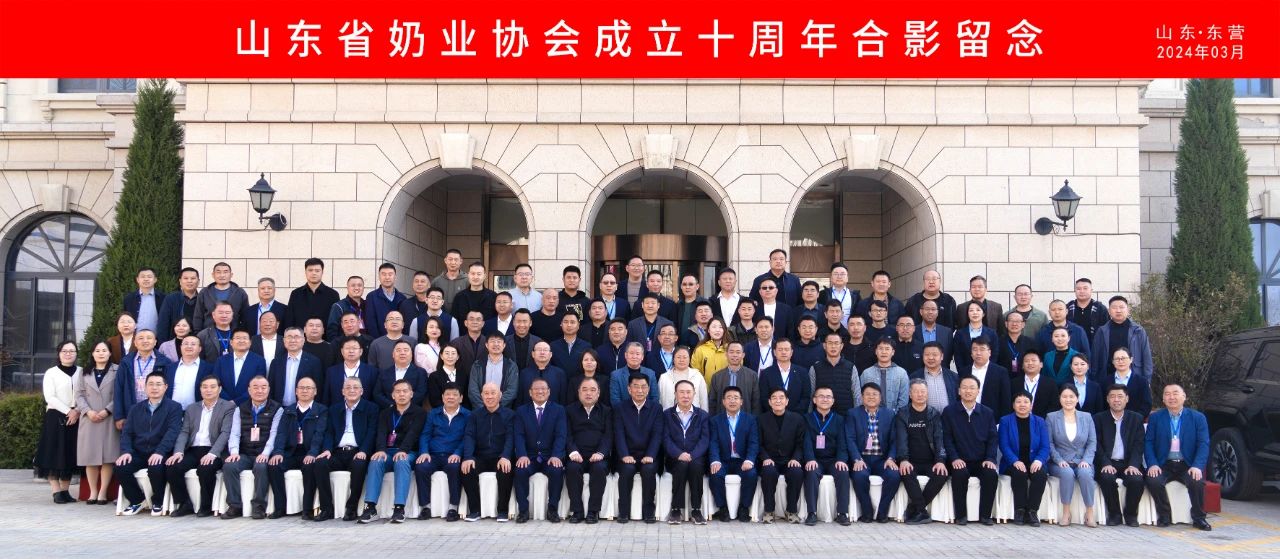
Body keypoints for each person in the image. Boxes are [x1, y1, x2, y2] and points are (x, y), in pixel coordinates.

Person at [1144, 383, 1213, 531]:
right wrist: (1153, 464)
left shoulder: (1198, 418)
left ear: (1184, 397)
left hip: (1187, 463)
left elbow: (1203, 444)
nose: (1171, 397)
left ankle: (1199, 518)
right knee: (1153, 480)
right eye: (1167, 394)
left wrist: (1197, 466)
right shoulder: (1156, 418)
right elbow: (1148, 442)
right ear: (1163, 399)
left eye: (1175, 393)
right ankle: (1164, 515)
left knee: (1196, 482)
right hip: (1164, 463)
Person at [166, 374, 236, 517]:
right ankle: (185, 504)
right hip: (193, 449)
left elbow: (225, 433)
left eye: (212, 387)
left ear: (219, 389)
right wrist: (178, 452)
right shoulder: (192, 408)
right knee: (173, 467)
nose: (208, 390)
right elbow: (184, 432)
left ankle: (206, 506)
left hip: (214, 450)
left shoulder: (228, 407)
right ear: (200, 389)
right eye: (204, 387)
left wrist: (212, 453)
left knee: (205, 469)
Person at [358, 379, 427, 524]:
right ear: (393, 395)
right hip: (388, 452)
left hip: (408, 452)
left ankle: (399, 508)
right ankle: (370, 507)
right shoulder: (385, 413)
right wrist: (381, 450)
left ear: (411, 394)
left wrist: (403, 450)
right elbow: (381, 433)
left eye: (405, 391)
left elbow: (413, 434)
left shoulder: (419, 412)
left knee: (401, 461)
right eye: (398, 391)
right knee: (376, 460)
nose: (401, 394)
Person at [115, 371, 183, 516]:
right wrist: (126, 451)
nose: (154, 388)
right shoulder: (135, 409)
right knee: (121, 467)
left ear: (165, 387)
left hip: (161, 452)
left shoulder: (174, 407)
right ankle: (137, 500)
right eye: (151, 384)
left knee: (156, 467)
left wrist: (160, 452)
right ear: (145, 387)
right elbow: (127, 433)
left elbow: (172, 433)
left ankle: (158, 501)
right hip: (139, 452)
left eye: (158, 384)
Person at [313, 376, 377, 521]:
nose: (352, 390)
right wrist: (327, 449)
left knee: (359, 465)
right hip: (337, 452)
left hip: (357, 451)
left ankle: (351, 508)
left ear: (361, 391)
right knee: (320, 463)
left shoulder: (371, 408)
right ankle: (326, 508)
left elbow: (371, 432)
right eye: (348, 387)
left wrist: (364, 451)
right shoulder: (334, 409)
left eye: (355, 387)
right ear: (342, 391)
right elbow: (329, 432)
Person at [220, 375, 283, 520]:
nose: (259, 391)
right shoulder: (240, 409)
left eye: (263, 387)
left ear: (268, 389)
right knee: (229, 466)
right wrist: (234, 452)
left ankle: (259, 506)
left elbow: (274, 434)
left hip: (264, 452)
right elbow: (235, 433)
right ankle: (235, 505)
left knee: (261, 467)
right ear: (249, 390)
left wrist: (266, 453)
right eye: (255, 387)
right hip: (245, 453)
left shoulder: (277, 409)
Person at [265, 376, 327, 519]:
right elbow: (281, 433)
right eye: (301, 388)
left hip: (309, 452)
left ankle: (307, 509)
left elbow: (319, 434)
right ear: (296, 391)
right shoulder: (288, 410)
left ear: (315, 391)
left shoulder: (321, 410)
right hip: (291, 453)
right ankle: (280, 508)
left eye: (308, 388)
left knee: (310, 466)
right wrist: (278, 452)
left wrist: (313, 453)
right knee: (274, 465)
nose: (305, 391)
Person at [941, 376, 999, 526]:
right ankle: (961, 515)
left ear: (978, 391)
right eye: (964, 387)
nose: (968, 391)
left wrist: (990, 458)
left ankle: (985, 515)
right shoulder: (949, 412)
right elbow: (947, 438)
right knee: (959, 474)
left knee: (991, 474)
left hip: (981, 460)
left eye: (972, 388)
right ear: (959, 391)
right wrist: (954, 458)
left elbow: (993, 439)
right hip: (959, 459)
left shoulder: (987, 412)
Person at [512, 378, 568, 523]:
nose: (540, 391)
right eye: (536, 389)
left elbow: (561, 435)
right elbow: (519, 435)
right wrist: (522, 455)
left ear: (549, 392)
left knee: (557, 471)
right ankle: (523, 511)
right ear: (530, 393)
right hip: (529, 456)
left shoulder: (559, 410)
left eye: (543, 389)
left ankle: (552, 510)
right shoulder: (521, 411)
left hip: (549, 456)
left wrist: (556, 455)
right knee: (520, 471)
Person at [894, 379, 948, 525]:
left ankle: (915, 508)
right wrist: (903, 459)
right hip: (910, 460)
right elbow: (901, 439)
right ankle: (922, 512)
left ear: (927, 394)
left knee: (942, 474)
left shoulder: (933, 414)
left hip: (930, 461)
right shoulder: (903, 414)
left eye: (923, 391)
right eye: (916, 392)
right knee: (906, 472)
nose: (920, 395)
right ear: (910, 394)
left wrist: (940, 461)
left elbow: (939, 439)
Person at [413, 382, 470, 520]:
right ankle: (425, 507)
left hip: (453, 455)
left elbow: (467, 438)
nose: (451, 397)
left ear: (461, 398)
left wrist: (458, 453)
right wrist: (424, 452)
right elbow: (425, 435)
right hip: (433, 455)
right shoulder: (433, 413)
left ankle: (453, 508)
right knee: (421, 467)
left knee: (454, 468)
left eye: (454, 395)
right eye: (447, 394)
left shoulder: (468, 415)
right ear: (443, 397)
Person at [461, 382, 517, 522]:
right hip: (480, 456)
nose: (489, 396)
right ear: (481, 396)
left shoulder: (510, 415)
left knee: (505, 470)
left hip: (500, 457)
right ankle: (475, 510)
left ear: (500, 395)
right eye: (486, 393)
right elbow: (469, 436)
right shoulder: (475, 415)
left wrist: (505, 456)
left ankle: (502, 511)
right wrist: (468, 457)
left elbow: (511, 437)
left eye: (493, 393)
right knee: (467, 469)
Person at [1093, 383, 1146, 527]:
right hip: (1108, 462)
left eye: (1120, 396)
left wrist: (1134, 465)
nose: (1116, 400)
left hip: (1128, 462)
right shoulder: (1098, 418)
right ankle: (1114, 514)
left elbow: (1139, 444)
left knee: (1137, 480)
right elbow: (1096, 444)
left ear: (1127, 399)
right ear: (1107, 399)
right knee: (1106, 477)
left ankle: (1131, 515)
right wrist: (1105, 463)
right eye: (1112, 396)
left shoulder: (1136, 418)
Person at [847, 382, 901, 523]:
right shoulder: (853, 414)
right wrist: (856, 459)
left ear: (880, 397)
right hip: (862, 459)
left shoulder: (889, 414)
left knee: (894, 475)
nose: (871, 397)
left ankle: (882, 512)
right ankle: (867, 512)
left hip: (882, 459)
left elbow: (895, 440)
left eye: (875, 394)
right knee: (859, 476)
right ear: (862, 397)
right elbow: (850, 438)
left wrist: (891, 458)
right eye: (868, 394)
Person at [614, 373, 663, 523]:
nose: (640, 390)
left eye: (643, 387)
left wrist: (651, 455)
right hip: (627, 454)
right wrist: (624, 455)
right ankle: (623, 512)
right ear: (629, 389)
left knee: (648, 470)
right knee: (627, 470)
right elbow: (619, 434)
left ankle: (649, 511)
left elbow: (657, 434)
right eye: (636, 387)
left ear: (648, 389)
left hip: (648, 455)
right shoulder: (620, 408)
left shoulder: (656, 408)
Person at [74, 340, 119, 505]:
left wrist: (107, 410)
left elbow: (119, 394)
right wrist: (88, 411)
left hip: (109, 417)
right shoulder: (84, 372)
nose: (101, 353)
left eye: (104, 350)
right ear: (92, 353)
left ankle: (102, 492)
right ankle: (93, 492)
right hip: (89, 418)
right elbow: (79, 394)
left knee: (107, 457)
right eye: (97, 350)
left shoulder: (117, 370)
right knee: (90, 457)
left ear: (110, 353)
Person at [35, 341, 80, 504]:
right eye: (64, 351)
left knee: (70, 452)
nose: (68, 354)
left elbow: (85, 395)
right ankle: (56, 491)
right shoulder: (51, 373)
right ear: (59, 353)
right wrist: (69, 411)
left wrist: (77, 411)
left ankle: (65, 490)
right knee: (53, 453)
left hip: (77, 416)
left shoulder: (81, 372)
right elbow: (50, 397)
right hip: (56, 416)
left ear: (76, 353)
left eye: (72, 351)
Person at [1047, 385, 1098, 527]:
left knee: (1085, 473)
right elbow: (1049, 443)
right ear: (1060, 399)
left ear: (1077, 398)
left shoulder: (1087, 417)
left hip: (1082, 460)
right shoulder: (1051, 417)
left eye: (1071, 397)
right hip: (1059, 462)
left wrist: (1086, 460)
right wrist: (1059, 460)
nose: (1068, 400)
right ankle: (1066, 513)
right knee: (1067, 473)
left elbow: (1092, 442)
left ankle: (1089, 513)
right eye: (1064, 396)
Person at [999, 392, 1051, 527]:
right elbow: (1004, 445)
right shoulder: (1005, 421)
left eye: (1026, 402)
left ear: (1031, 405)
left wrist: (1039, 460)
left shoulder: (1039, 421)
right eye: (1018, 401)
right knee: (1019, 473)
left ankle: (1032, 511)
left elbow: (1045, 446)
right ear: (1013, 405)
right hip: (1013, 462)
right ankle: (1020, 510)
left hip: (1034, 461)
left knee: (1040, 475)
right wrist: (1014, 461)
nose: (1022, 405)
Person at [564, 377, 612, 524]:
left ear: (598, 393)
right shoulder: (569, 410)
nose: (588, 393)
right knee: (572, 468)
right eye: (584, 390)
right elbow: (566, 434)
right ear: (578, 392)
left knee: (599, 469)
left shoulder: (606, 411)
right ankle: (577, 511)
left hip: (598, 456)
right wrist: (573, 452)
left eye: (592, 390)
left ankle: (593, 511)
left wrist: (600, 453)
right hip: (577, 455)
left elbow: (608, 435)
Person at [708, 386, 759, 522]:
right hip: (723, 460)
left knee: (751, 474)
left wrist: (749, 460)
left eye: (736, 398)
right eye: (729, 398)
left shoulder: (750, 420)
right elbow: (713, 442)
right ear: (723, 401)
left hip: (742, 460)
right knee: (715, 474)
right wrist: (715, 460)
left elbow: (753, 443)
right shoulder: (715, 420)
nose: (732, 401)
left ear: (741, 401)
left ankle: (744, 507)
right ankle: (722, 508)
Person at [802, 386, 852, 526]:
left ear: (833, 401)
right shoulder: (806, 418)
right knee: (811, 472)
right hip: (815, 459)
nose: (825, 399)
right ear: (814, 400)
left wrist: (841, 459)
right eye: (821, 396)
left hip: (833, 460)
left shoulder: (840, 419)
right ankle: (812, 513)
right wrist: (810, 459)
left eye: (828, 397)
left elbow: (843, 442)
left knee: (843, 471)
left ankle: (842, 513)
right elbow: (806, 442)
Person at [755, 387, 806, 523]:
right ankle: (769, 510)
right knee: (768, 472)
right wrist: (765, 458)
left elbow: (801, 443)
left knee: (796, 472)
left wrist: (795, 458)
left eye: (781, 398)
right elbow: (758, 443)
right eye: (774, 398)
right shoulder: (761, 419)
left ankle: (791, 511)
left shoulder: (797, 419)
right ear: (769, 402)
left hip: (789, 459)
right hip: (770, 459)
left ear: (787, 401)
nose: (778, 400)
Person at [664, 380, 711, 525]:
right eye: (682, 392)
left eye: (688, 392)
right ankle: (676, 509)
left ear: (694, 394)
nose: (685, 396)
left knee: (696, 466)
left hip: (696, 457)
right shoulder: (667, 415)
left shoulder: (702, 415)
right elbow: (665, 438)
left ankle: (696, 510)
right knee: (681, 465)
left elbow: (704, 439)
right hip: (674, 457)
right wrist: (678, 454)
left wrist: (692, 455)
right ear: (675, 394)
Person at [114, 328, 173, 429]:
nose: (145, 341)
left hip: (157, 411)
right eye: (141, 338)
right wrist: (119, 416)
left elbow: (169, 389)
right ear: (135, 343)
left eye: (149, 338)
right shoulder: (126, 362)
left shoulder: (165, 362)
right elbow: (118, 388)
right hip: (131, 410)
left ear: (155, 342)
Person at [1090, 296, 1154, 383]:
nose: (1118, 310)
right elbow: (1095, 358)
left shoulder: (1138, 331)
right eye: (1114, 307)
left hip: (1134, 377)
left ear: (1128, 310)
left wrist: (1147, 380)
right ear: (1109, 311)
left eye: (1121, 307)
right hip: (1108, 378)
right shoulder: (1102, 331)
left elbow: (1146, 357)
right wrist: (1094, 380)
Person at [268, 327, 325, 408]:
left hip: (304, 408)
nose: (293, 340)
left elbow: (318, 388)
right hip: (279, 408)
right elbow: (271, 387)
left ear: (303, 340)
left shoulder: (314, 362)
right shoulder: (276, 362)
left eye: (296, 337)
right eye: (289, 337)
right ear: (284, 340)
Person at [957, 338, 1012, 419]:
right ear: (971, 353)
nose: (978, 353)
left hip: (992, 418)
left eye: (982, 349)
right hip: (966, 417)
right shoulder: (964, 371)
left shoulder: (1001, 372)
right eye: (975, 349)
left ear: (989, 352)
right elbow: (959, 396)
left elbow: (1006, 400)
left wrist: (1002, 421)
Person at [758, 338, 811, 414]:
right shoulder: (766, 373)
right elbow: (764, 398)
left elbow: (806, 397)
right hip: (773, 416)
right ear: (774, 352)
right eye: (780, 349)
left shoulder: (802, 372)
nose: (783, 352)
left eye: (786, 349)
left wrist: (794, 415)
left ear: (791, 352)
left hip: (797, 416)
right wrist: (777, 412)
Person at [809, 332, 859, 415]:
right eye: (830, 343)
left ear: (841, 346)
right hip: (822, 416)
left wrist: (856, 416)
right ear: (824, 346)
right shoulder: (815, 368)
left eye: (836, 343)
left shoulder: (851, 367)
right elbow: (811, 395)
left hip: (846, 415)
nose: (833, 346)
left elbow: (856, 395)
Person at [192, 262, 250, 332]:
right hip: (209, 333)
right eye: (218, 272)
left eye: (225, 272)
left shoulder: (240, 293)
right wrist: (197, 332)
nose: (222, 275)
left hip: (233, 333)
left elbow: (246, 316)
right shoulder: (204, 292)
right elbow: (198, 315)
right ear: (213, 275)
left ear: (231, 275)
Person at [215, 329, 267, 405]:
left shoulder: (259, 361)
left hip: (248, 404)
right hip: (224, 404)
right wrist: (228, 401)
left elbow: (258, 384)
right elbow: (215, 383)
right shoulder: (221, 360)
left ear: (250, 342)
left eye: (245, 338)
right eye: (238, 338)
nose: (241, 341)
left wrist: (236, 402)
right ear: (231, 342)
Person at [468, 332, 519, 409]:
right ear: (487, 345)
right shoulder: (477, 365)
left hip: (503, 410)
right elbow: (473, 390)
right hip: (480, 410)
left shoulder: (511, 365)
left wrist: (496, 407)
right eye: (492, 341)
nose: (496, 344)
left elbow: (512, 391)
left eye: (499, 341)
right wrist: (484, 408)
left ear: (504, 345)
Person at [288, 258, 342, 330]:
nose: (314, 273)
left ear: (322, 272)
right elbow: (289, 319)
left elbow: (336, 320)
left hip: (326, 336)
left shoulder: (333, 294)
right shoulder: (295, 294)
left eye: (317, 271)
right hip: (300, 336)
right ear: (305, 272)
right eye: (310, 270)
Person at [858, 337, 910, 412]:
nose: (884, 352)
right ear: (876, 351)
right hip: (870, 415)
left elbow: (904, 399)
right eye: (881, 349)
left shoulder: (901, 373)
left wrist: (896, 414)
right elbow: (861, 397)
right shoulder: (866, 373)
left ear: (893, 352)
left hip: (895, 415)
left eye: (887, 349)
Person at [374, 339, 428, 408]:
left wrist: (405, 406)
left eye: (406, 350)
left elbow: (421, 393)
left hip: (413, 411)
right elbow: (377, 394)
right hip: (389, 410)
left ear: (412, 354)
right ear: (393, 354)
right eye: (398, 350)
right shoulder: (384, 373)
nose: (402, 353)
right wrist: (392, 406)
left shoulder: (420, 372)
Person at [709, 341, 759, 416]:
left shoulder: (752, 376)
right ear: (726, 354)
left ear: (743, 355)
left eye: (738, 352)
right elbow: (712, 403)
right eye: (731, 352)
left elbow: (756, 403)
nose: (735, 355)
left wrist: (753, 421)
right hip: (722, 419)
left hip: (745, 419)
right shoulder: (717, 377)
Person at [324, 336, 377, 406]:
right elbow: (326, 396)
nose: (351, 351)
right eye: (347, 348)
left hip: (364, 411)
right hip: (337, 411)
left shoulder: (372, 371)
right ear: (342, 351)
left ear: (361, 351)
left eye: (354, 348)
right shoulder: (331, 371)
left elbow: (374, 396)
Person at [910, 342, 958, 413]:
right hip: (925, 417)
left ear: (942, 356)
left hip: (949, 417)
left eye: (934, 354)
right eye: (927, 355)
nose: (930, 358)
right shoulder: (914, 377)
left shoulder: (953, 377)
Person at [517, 340, 569, 407]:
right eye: (539, 350)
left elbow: (563, 399)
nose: (542, 352)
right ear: (533, 354)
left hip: (554, 412)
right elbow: (520, 399)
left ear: (550, 354)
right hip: (528, 412)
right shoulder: (524, 373)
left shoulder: (559, 373)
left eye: (545, 350)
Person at [158, 267, 201, 344]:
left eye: (193, 278)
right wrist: (163, 345)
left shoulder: (203, 299)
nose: (189, 281)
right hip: (174, 342)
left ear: (198, 282)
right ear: (180, 281)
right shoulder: (171, 298)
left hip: (197, 343)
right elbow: (163, 324)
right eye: (186, 278)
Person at [952, 301, 998, 373]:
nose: (975, 313)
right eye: (971, 310)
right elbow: (958, 356)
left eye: (978, 310)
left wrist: (988, 371)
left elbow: (995, 354)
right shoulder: (960, 334)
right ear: (967, 314)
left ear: (983, 314)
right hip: (966, 373)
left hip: (987, 372)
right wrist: (963, 373)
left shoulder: (992, 333)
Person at [659, 346, 709, 410]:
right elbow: (660, 400)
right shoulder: (664, 377)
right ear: (673, 359)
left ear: (689, 359)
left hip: (694, 414)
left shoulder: (697, 376)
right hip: (669, 414)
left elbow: (703, 399)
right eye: (678, 357)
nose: (681, 360)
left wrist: (704, 414)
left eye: (685, 357)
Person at [609, 342, 658, 407]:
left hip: (647, 411)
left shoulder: (650, 374)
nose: (634, 357)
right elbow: (615, 400)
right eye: (631, 353)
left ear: (642, 357)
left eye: (637, 354)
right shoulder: (616, 375)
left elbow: (655, 398)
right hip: (623, 412)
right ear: (626, 355)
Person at [366, 263, 407, 339]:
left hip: (399, 341)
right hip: (379, 341)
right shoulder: (371, 297)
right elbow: (371, 323)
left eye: (390, 274)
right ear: (379, 277)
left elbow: (404, 323)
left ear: (395, 277)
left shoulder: (402, 298)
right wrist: (378, 342)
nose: (387, 277)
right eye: (384, 274)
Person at [1109, 347, 1153, 419]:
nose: (1120, 361)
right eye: (1117, 359)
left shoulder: (1142, 381)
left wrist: (1136, 419)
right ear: (1113, 362)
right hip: (1110, 421)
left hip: (1135, 422)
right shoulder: (1105, 382)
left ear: (1131, 359)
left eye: (1123, 358)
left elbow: (1147, 404)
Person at [170, 336, 212, 409]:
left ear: (200, 349)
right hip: (172, 411)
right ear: (181, 347)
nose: (189, 346)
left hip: (197, 411)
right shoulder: (170, 367)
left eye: (193, 344)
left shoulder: (209, 368)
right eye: (186, 344)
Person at [817, 263, 860, 328]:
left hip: (849, 332)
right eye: (836, 274)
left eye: (842, 274)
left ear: (847, 278)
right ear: (831, 277)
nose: (839, 277)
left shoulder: (855, 296)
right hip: (828, 332)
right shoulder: (823, 294)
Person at [1018, 351, 1060, 417]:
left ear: (1041, 364)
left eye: (1033, 360)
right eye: (1026, 361)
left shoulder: (1050, 384)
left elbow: (1054, 405)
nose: (1030, 363)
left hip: (1043, 420)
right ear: (1022, 366)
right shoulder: (1014, 383)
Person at [326, 276, 369, 341]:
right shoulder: (338, 306)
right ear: (347, 288)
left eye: (359, 285)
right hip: (346, 345)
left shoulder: (367, 305)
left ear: (363, 288)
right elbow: (332, 331)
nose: (356, 288)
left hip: (366, 344)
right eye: (353, 285)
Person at [550, 313, 592, 378]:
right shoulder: (553, 346)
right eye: (565, 322)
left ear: (578, 325)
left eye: (572, 322)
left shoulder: (586, 346)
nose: (569, 325)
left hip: (579, 382)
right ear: (561, 324)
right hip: (558, 380)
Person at [997, 312, 1039, 376]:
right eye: (1011, 321)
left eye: (1018, 321)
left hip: (1024, 378)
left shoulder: (1031, 342)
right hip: (1003, 377)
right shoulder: (998, 342)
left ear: (1023, 324)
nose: (1014, 324)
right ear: (1006, 324)